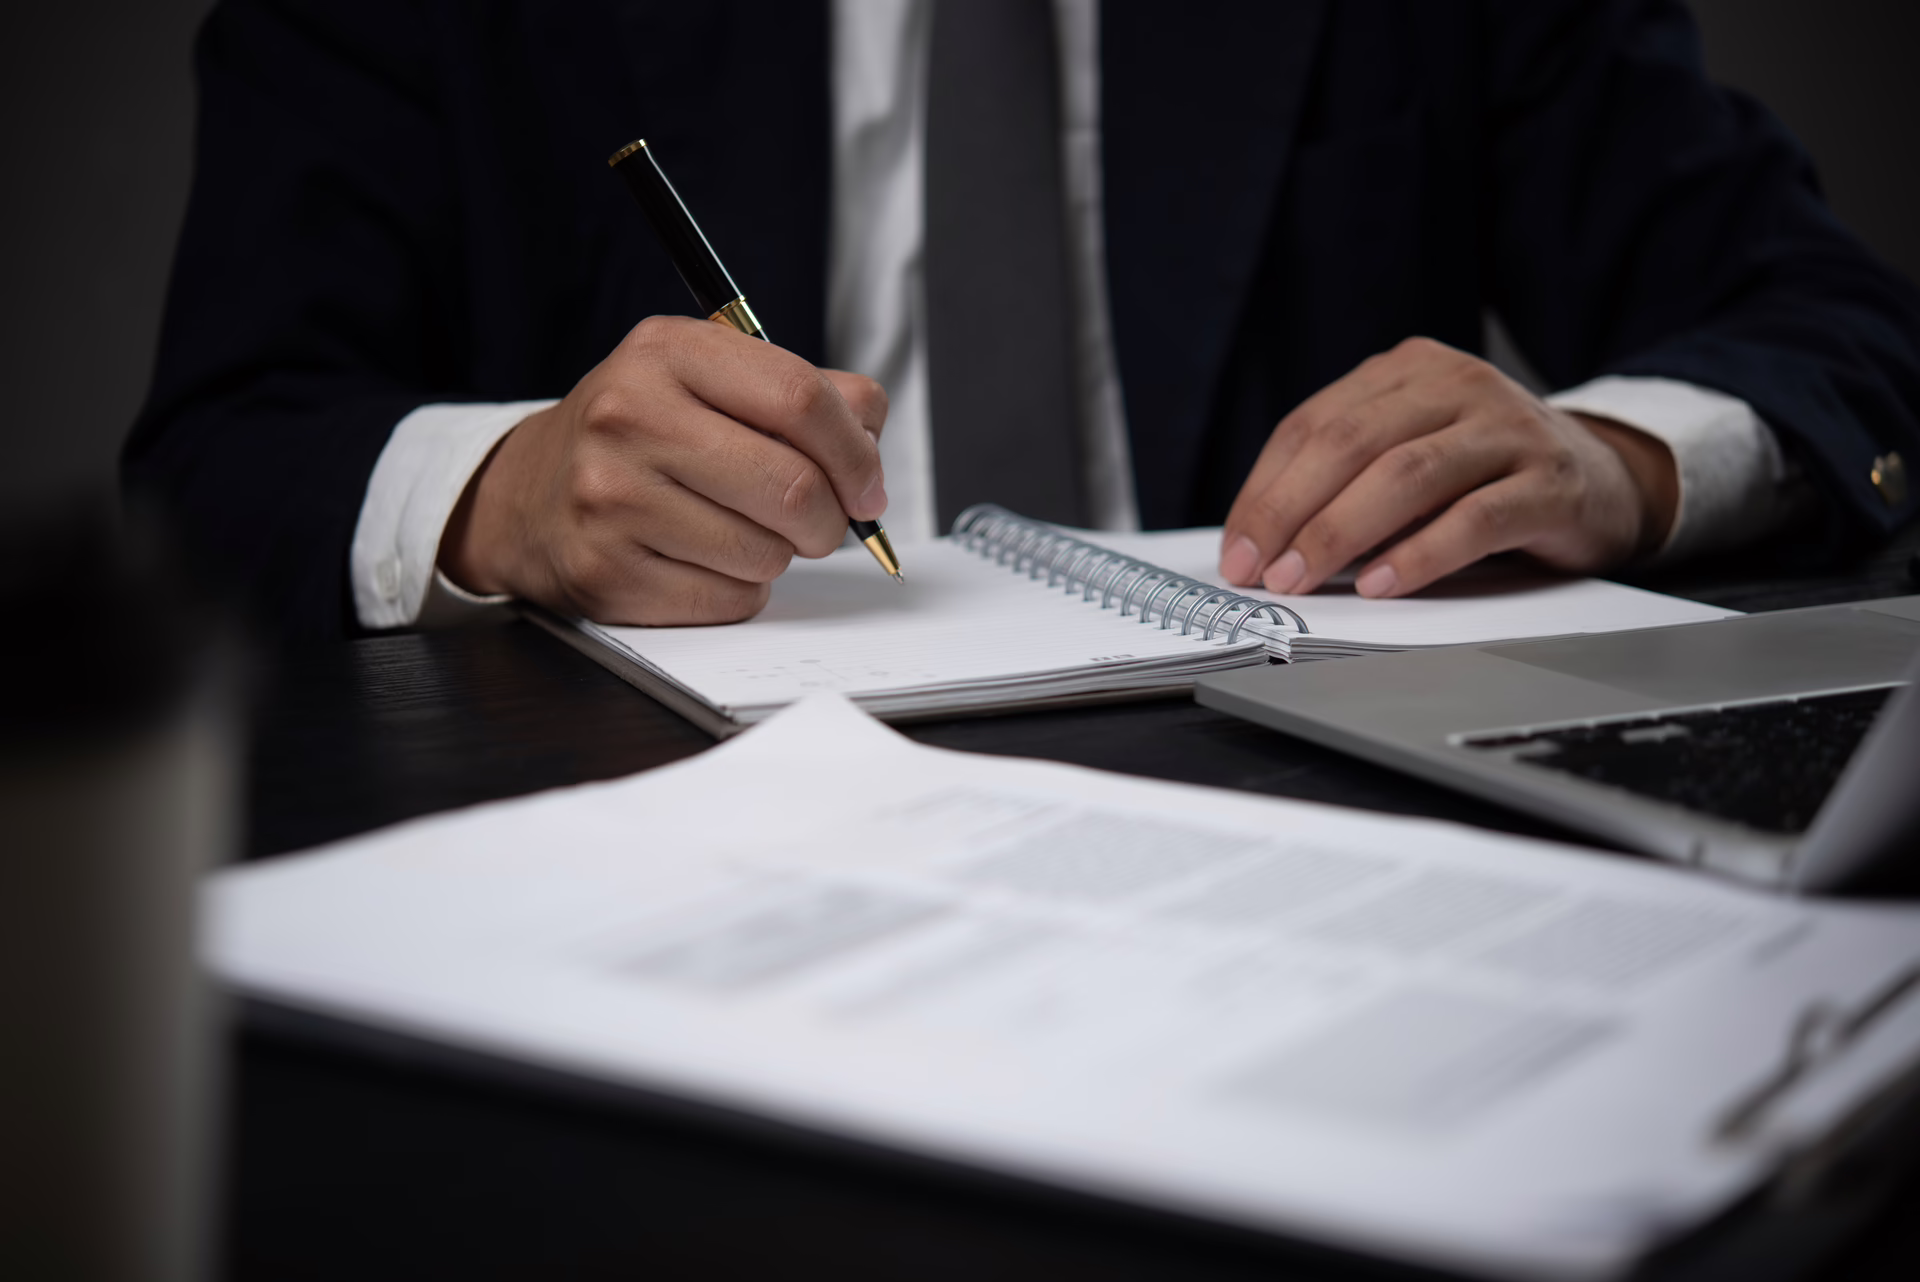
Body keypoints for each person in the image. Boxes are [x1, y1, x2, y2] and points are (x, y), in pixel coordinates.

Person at [125, 0, 1920, 642]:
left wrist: (1606, 456)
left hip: (1293, 834)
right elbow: (217, 461)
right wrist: (502, 497)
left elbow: (1837, 325)